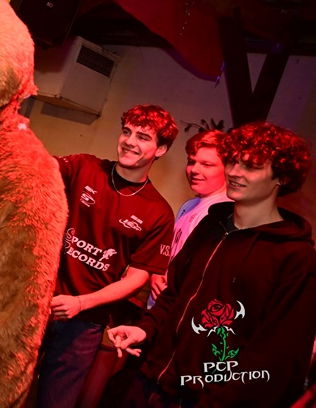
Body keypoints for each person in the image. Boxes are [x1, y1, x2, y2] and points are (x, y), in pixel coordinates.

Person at [109, 122, 315, 407]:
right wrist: (145, 329)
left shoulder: (295, 256)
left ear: (282, 176)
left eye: (251, 166)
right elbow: (173, 294)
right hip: (149, 380)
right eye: (232, 162)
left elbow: (278, 358)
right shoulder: (211, 226)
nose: (234, 172)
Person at [36, 104, 178, 407]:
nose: (129, 141)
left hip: (85, 322)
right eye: (127, 132)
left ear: (161, 149)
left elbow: (136, 279)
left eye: (143, 137)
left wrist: (80, 303)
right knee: (0, 389)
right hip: (37, 303)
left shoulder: (159, 212)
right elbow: (35, 166)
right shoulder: (84, 167)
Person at [148, 129, 230, 307]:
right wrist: (157, 272)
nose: (195, 170)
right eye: (191, 162)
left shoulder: (224, 214)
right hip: (157, 308)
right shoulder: (190, 205)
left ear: (228, 169)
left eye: (207, 164)